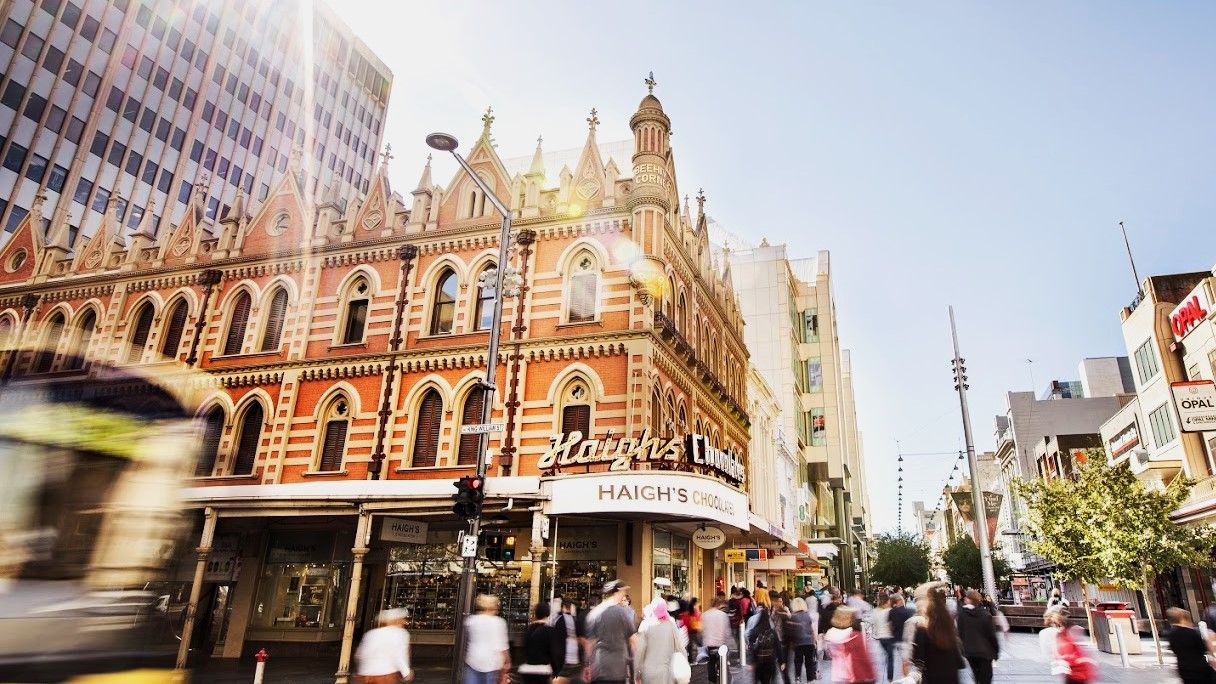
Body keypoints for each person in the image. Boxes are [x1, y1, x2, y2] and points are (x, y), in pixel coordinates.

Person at [906, 582, 964, 684]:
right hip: (951, 678)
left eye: (920, 600)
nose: (918, 604)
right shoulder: (947, 623)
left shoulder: (922, 628)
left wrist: (910, 678)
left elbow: (918, 664)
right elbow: (957, 658)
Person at [585, 580, 639, 684]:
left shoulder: (594, 613)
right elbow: (633, 640)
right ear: (617, 592)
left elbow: (590, 643)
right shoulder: (623, 612)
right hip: (617, 669)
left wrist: (587, 665)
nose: (624, 594)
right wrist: (636, 668)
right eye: (623, 591)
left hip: (599, 667)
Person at [354, 608, 413, 684]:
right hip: (385, 675)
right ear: (397, 620)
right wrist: (406, 672)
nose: (405, 622)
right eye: (402, 619)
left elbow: (360, 654)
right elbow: (398, 655)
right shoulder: (401, 633)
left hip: (365, 674)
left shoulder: (370, 633)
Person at [635, 598, 684, 684]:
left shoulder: (646, 625)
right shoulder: (671, 625)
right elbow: (680, 647)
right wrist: (683, 667)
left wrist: (637, 671)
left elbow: (639, 650)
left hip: (649, 671)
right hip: (667, 671)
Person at [464, 594, 510, 684]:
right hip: (492, 663)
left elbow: (467, 641)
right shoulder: (499, 622)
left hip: (473, 661)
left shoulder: (471, 621)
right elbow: (502, 646)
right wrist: (507, 662)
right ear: (494, 607)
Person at [824, 606, 875, 684]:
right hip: (854, 674)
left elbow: (829, 654)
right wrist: (870, 675)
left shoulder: (829, 634)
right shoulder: (855, 636)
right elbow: (863, 658)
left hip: (837, 674)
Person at [956, 590, 999, 684]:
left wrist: (963, 649)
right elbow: (991, 635)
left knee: (977, 676)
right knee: (986, 678)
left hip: (970, 652)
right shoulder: (985, 615)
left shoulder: (962, 615)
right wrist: (996, 651)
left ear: (969, 600)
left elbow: (960, 633)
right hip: (985, 652)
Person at [1167, 607, 1216, 684]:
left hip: (1183, 668)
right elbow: (1203, 648)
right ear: (1182, 619)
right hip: (1199, 667)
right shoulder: (1191, 632)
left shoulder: (1170, 634)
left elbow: (1173, 649)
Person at [519, 602, 564, 684]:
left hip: (527, 670)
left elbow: (524, 649)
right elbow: (554, 653)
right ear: (548, 614)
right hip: (543, 671)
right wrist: (556, 672)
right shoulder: (550, 631)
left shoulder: (528, 630)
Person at [1054, 610, 1097, 683]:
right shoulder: (1064, 639)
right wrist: (1085, 660)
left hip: (1077, 673)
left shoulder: (1064, 638)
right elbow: (1070, 657)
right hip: (1076, 673)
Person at [747, 604, 786, 684]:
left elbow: (751, 647)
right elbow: (778, 647)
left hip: (758, 662)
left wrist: (750, 661)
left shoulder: (754, 631)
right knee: (767, 681)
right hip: (770, 661)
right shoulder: (772, 632)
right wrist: (781, 661)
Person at [701, 597, 732, 684]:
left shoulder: (704, 615)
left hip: (709, 644)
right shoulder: (723, 615)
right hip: (720, 644)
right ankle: (723, 679)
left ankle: (712, 681)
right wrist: (727, 643)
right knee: (722, 664)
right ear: (719, 605)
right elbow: (727, 632)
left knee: (711, 664)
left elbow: (702, 630)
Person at [551, 599, 582, 684]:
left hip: (563, 657)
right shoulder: (576, 620)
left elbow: (555, 639)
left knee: (560, 679)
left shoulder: (559, 620)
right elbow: (579, 638)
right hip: (575, 658)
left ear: (563, 607)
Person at [788, 597, 817, 684]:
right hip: (809, 642)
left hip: (798, 642)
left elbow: (791, 631)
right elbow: (812, 629)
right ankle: (809, 680)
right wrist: (814, 641)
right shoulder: (808, 615)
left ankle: (797, 678)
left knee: (798, 661)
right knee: (809, 662)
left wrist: (791, 643)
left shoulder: (792, 616)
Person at [871, 594, 896, 682]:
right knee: (890, 657)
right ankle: (890, 678)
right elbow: (892, 625)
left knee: (887, 654)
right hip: (889, 636)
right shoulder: (889, 611)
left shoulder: (875, 611)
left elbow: (874, 624)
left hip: (880, 637)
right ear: (887, 601)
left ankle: (887, 673)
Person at [888, 593, 915, 667]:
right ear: (899, 601)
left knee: (903, 660)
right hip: (908, 639)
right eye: (902, 599)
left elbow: (890, 627)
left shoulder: (891, 612)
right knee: (907, 661)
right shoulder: (910, 611)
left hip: (897, 639)